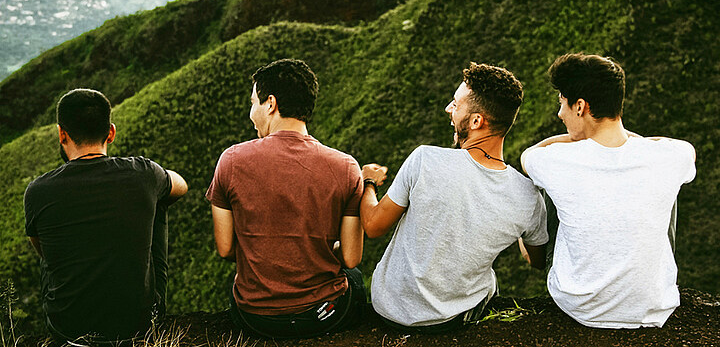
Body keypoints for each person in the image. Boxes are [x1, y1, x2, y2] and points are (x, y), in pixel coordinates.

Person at [361, 62, 548, 333]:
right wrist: (516, 222)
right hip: (453, 320)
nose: (448, 109)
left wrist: (368, 182)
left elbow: (373, 226)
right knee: (490, 281)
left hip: (389, 310)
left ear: (476, 121)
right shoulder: (528, 197)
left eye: (455, 104)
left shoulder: (424, 159)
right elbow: (537, 261)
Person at [521, 53, 696, 328]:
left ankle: (539, 260)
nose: (559, 114)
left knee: (547, 186)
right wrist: (631, 140)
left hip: (579, 304)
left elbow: (529, 156)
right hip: (653, 307)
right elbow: (685, 148)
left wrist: (575, 139)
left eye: (562, 104)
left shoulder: (555, 159)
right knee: (665, 184)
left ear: (580, 106)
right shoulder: (669, 157)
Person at [206, 59, 366, 339]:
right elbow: (351, 258)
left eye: (253, 102)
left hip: (255, 318)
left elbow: (226, 248)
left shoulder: (231, 161)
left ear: (271, 103)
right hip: (323, 315)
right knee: (355, 279)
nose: (250, 113)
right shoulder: (346, 167)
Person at [23, 89, 188, 343]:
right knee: (160, 200)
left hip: (67, 327)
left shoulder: (37, 191)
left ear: (61, 133)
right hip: (136, 324)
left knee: (52, 243)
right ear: (111, 132)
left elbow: (44, 253)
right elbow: (181, 186)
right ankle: (153, 312)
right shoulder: (142, 173)